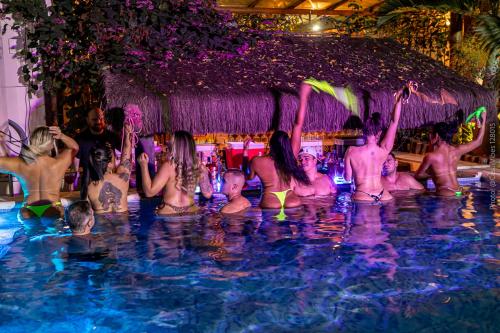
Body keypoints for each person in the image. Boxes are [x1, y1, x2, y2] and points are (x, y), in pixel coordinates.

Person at [243, 83, 311, 209]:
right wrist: (304, 97)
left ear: (270, 144)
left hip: (270, 200)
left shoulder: (257, 161)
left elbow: (248, 178)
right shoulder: (291, 156)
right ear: (287, 144)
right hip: (291, 199)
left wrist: (245, 152)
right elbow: (298, 124)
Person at [0, 126, 79, 218]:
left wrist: (2, 144)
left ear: (32, 142)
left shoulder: (20, 164)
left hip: (28, 209)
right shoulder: (58, 164)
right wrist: (61, 136)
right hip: (53, 207)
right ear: (52, 144)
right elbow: (75, 148)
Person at [344, 88, 403, 202]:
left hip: (363, 194)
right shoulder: (384, 149)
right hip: (383, 194)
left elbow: (347, 178)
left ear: (363, 131)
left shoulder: (351, 151)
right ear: (379, 133)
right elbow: (394, 122)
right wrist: (398, 100)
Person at [138, 130, 212, 215]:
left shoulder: (168, 166)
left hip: (169, 214)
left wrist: (143, 165)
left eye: (171, 142)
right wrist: (205, 173)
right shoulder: (198, 167)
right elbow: (208, 194)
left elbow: (149, 192)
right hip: (191, 214)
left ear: (176, 147)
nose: (168, 143)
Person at [415, 112, 486, 196]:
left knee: (423, 194)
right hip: (459, 192)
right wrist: (483, 120)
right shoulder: (457, 150)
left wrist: (433, 174)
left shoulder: (430, 156)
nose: (429, 136)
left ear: (437, 136)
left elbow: (418, 176)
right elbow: (478, 141)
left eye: (431, 134)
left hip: (445, 193)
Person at [84, 125, 133, 214]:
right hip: (123, 225)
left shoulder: (90, 187)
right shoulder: (123, 178)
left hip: (102, 225)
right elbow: (127, 150)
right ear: (110, 163)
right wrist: (127, 134)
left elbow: (86, 212)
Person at [75, 107, 121, 199]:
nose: (99, 121)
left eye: (101, 118)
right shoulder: (80, 139)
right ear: (87, 120)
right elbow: (75, 166)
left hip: (110, 182)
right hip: (88, 184)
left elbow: (122, 158)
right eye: (95, 119)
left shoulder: (113, 137)